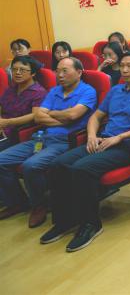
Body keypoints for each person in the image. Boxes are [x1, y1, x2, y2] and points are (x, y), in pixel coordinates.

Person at [40, 51, 130, 251]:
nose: (124, 70)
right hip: (103, 140)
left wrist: (120, 137)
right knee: (57, 164)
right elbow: (96, 116)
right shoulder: (115, 91)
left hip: (128, 145)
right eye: (122, 65)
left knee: (81, 169)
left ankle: (90, 224)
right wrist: (91, 136)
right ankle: (65, 220)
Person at [0, 57, 96, 227]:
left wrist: (51, 113)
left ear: (79, 72)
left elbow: (73, 115)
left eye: (65, 71)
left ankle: (40, 205)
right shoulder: (54, 91)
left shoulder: (87, 91)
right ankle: (17, 202)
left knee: (31, 166)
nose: (60, 75)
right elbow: (38, 116)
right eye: (57, 71)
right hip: (41, 137)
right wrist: (62, 118)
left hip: (65, 141)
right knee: (1, 160)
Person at [0, 56, 47, 151]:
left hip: (16, 133)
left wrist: (6, 123)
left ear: (33, 73)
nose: (17, 73)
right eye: (14, 69)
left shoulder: (39, 92)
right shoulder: (12, 88)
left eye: (22, 70)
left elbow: (35, 115)